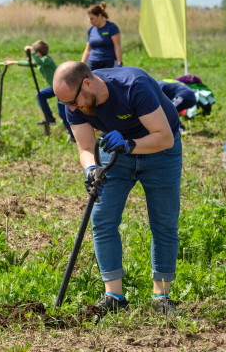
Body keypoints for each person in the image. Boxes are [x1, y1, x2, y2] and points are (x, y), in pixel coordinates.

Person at [53, 61, 182, 314]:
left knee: (163, 221)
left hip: (160, 150)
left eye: (73, 102)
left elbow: (164, 137)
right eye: (66, 104)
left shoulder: (133, 86)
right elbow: (85, 148)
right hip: (116, 152)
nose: (71, 109)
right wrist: (91, 169)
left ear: (87, 84)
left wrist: (129, 144)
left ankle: (161, 297)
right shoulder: (74, 102)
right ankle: (114, 296)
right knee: (102, 219)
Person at [3, 40, 74, 141]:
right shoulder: (40, 62)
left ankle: (73, 136)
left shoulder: (47, 59)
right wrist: (13, 62)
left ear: (38, 53)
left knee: (63, 113)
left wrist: (32, 51)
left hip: (62, 88)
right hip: (54, 87)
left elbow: (39, 62)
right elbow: (30, 64)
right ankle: (49, 118)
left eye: (35, 53)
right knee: (40, 95)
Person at [81, 3, 122, 70]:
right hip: (93, 62)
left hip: (108, 62)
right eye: (88, 19)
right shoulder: (91, 29)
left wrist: (119, 63)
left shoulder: (112, 27)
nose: (90, 21)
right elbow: (87, 50)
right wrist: (82, 65)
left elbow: (117, 47)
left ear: (99, 16)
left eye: (92, 19)